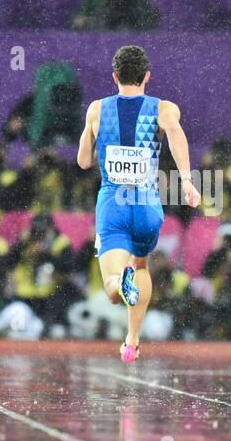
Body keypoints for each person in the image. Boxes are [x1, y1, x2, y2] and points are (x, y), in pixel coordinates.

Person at [76, 45, 200, 362]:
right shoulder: (164, 109)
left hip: (112, 205)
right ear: (147, 76)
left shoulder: (97, 110)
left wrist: (96, 142)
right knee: (141, 263)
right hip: (147, 206)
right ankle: (131, 340)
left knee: (110, 287)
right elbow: (176, 137)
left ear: (115, 76)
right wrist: (187, 181)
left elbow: (82, 161)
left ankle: (120, 280)